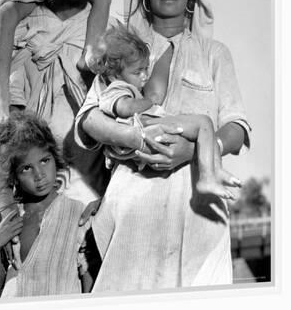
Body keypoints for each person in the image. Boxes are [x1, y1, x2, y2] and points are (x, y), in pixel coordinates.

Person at [75, 0, 251, 292]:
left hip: (197, 208)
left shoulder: (214, 54)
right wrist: (135, 138)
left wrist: (196, 151)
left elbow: (236, 126)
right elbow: (90, 118)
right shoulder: (121, 48)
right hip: (134, 205)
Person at [0, 0, 113, 297]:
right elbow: (5, 110)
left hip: (83, 174)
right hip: (21, 178)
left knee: (91, 277)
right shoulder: (22, 17)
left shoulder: (102, 24)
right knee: (3, 274)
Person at [88, 25, 241, 199]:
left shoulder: (123, 85)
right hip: (147, 125)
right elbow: (124, 108)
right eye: (138, 72)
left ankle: (214, 172)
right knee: (204, 123)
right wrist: (148, 102)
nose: (145, 76)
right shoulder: (116, 88)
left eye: (146, 69)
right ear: (114, 74)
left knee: (204, 130)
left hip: (149, 128)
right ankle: (208, 176)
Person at [0, 111, 93, 298]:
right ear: (14, 176)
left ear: (55, 158)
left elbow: (87, 278)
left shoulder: (77, 213)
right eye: (26, 168)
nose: (39, 174)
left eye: (44, 161)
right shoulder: (9, 219)